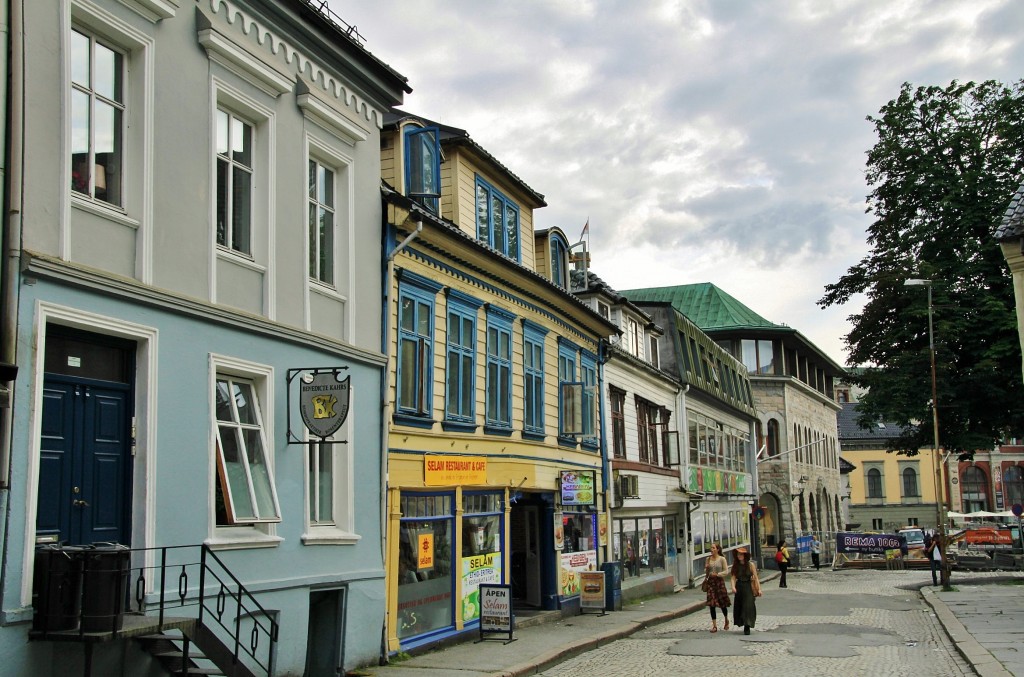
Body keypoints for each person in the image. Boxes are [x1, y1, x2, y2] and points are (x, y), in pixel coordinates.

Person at [731, 547, 761, 635]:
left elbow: (755, 578)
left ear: (745, 555)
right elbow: (733, 578)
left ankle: (747, 625)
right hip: (739, 586)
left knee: (748, 606)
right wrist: (733, 587)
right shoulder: (736, 565)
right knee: (740, 606)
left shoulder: (750, 565)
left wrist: (759, 589)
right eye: (738, 554)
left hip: (748, 586)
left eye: (741, 554)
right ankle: (743, 622)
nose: (739, 556)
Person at [703, 543, 731, 632]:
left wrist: (718, 574)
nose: (711, 549)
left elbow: (726, 571)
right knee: (712, 604)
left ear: (717, 549)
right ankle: (714, 626)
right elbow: (707, 573)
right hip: (711, 582)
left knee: (722, 603)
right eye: (711, 548)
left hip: (719, 582)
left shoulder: (722, 559)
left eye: (713, 548)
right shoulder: (708, 559)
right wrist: (707, 569)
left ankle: (726, 619)